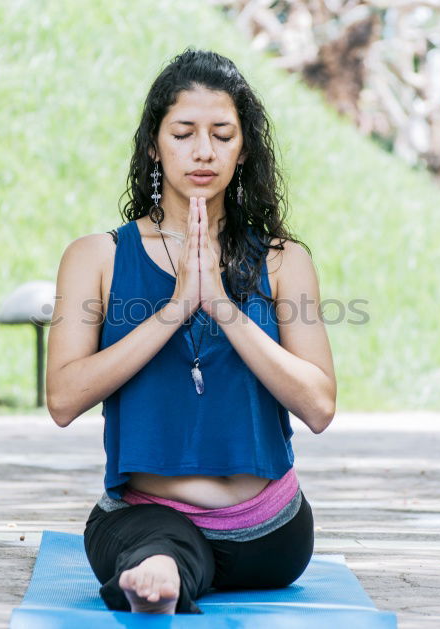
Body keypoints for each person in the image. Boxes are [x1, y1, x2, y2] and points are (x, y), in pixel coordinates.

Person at [45, 48, 337, 615]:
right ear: (154, 144)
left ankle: (163, 573)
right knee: (160, 549)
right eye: (183, 133)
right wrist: (175, 308)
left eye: (223, 134)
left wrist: (223, 306)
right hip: (149, 518)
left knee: (168, 555)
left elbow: (320, 406)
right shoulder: (95, 258)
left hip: (270, 535)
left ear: (243, 147)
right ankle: (160, 575)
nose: (204, 151)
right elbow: (62, 399)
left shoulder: (282, 260)